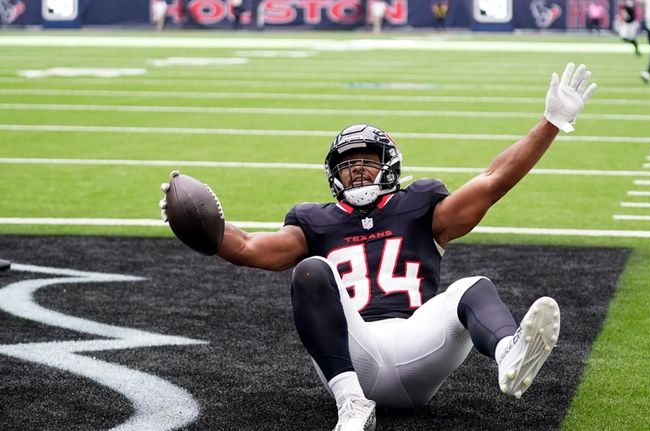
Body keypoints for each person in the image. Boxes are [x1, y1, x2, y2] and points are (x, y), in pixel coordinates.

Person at [160, 63, 597, 431]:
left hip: (418, 347)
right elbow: (250, 246)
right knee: (310, 269)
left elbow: (492, 180)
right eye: (348, 166)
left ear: (389, 164)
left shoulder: (421, 204)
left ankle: (509, 355)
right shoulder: (314, 220)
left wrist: (550, 124)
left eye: (367, 161)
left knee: (472, 285)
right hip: (354, 353)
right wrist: (199, 225)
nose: (357, 172)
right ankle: (351, 406)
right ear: (334, 176)